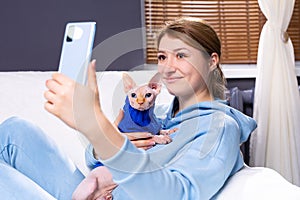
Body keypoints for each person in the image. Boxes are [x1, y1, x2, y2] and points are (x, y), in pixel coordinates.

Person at [0, 17, 257, 199]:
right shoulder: (160, 119)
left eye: (181, 55)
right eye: (162, 57)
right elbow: (96, 163)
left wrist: (98, 129)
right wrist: (110, 141)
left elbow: (179, 193)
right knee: (15, 131)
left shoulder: (219, 127)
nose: (167, 67)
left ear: (212, 61)